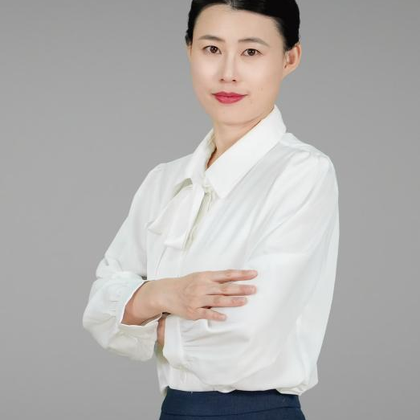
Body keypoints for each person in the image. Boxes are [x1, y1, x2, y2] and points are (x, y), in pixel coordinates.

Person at [82, 1, 340, 419]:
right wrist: (167, 293)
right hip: (175, 409)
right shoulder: (164, 180)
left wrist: (143, 311)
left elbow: (245, 340)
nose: (228, 73)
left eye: (251, 51)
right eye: (212, 49)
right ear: (189, 51)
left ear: (289, 58)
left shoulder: (302, 173)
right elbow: (98, 309)